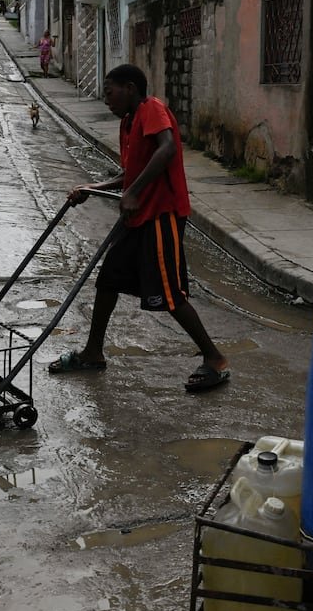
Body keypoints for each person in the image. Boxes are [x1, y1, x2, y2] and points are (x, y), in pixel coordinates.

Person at [49, 64, 230, 393]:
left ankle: (215, 358)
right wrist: (93, 187)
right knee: (108, 280)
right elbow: (129, 175)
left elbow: (167, 149)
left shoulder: (152, 109)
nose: (106, 99)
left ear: (130, 87)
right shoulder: (129, 123)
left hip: (162, 215)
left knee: (170, 294)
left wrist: (132, 193)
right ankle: (93, 352)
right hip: (138, 218)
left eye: (110, 91)